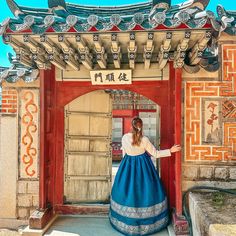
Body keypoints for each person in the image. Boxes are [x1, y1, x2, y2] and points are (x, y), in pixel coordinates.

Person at [109, 117, 181, 236]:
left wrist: (126, 166)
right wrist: (171, 150)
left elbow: (124, 154)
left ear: (130, 126)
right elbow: (156, 154)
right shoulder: (144, 139)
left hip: (127, 165)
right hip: (144, 168)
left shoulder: (124, 137)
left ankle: (124, 221)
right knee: (146, 190)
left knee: (127, 190)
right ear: (141, 126)